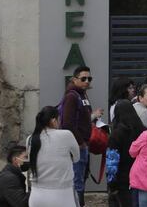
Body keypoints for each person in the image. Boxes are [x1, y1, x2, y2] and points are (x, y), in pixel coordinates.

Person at [60, 65, 104, 207]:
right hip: (77, 147)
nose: (87, 81)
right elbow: (67, 123)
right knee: (77, 183)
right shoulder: (72, 96)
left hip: (82, 145)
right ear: (74, 79)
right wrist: (80, 143)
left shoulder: (82, 94)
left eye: (89, 78)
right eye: (83, 78)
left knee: (81, 180)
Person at [28, 106, 80, 206]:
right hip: (62, 194)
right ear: (53, 120)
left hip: (36, 196)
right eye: (59, 119)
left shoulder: (31, 139)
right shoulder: (66, 135)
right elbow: (77, 158)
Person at [108, 100, 147, 207]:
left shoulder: (116, 134)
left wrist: (112, 184)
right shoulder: (143, 131)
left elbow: (112, 161)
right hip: (141, 176)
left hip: (122, 178)